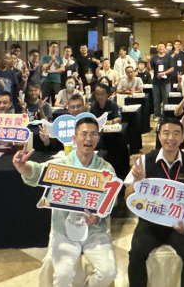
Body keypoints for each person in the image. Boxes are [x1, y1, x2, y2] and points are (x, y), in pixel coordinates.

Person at [13, 118, 117, 287]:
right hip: (63, 230)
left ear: (98, 138)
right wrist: (22, 167)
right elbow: (37, 172)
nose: (88, 139)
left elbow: (110, 200)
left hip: (95, 232)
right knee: (62, 275)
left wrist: (98, 216)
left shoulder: (105, 169)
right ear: (74, 138)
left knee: (108, 272)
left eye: (93, 134)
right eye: (84, 134)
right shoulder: (61, 164)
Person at [125, 118, 184, 287]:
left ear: (182, 138)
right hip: (150, 223)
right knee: (136, 252)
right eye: (166, 133)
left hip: (179, 224)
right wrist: (137, 182)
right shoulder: (145, 161)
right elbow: (127, 197)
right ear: (159, 136)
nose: (171, 138)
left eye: (176, 133)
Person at [150, 42, 174, 118]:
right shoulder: (154, 57)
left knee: (166, 100)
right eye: (159, 46)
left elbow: (172, 68)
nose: (160, 48)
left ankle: (166, 116)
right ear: (157, 48)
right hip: (156, 82)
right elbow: (150, 68)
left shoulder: (168, 57)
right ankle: (157, 115)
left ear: (164, 48)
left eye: (162, 46)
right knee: (156, 100)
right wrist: (148, 61)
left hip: (166, 81)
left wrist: (164, 73)